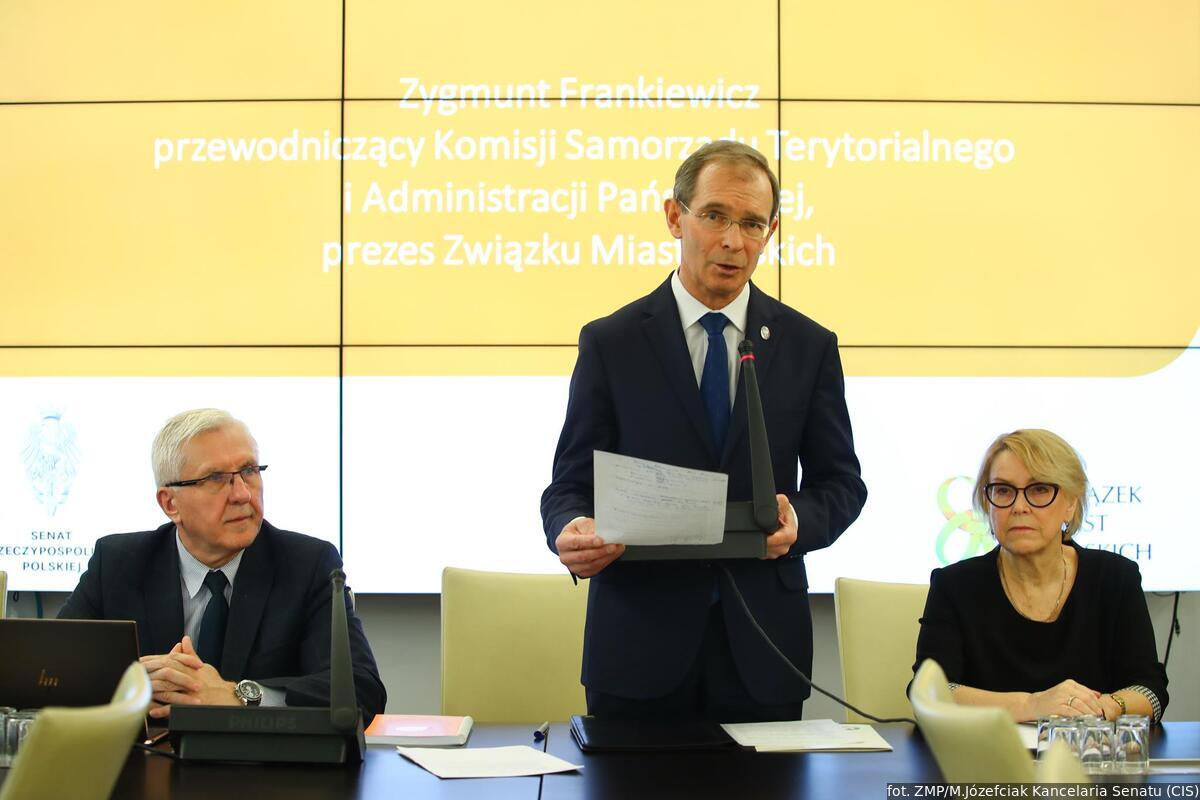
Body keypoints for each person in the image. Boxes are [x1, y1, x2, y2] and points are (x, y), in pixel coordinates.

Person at [541, 141, 867, 722]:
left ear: (771, 232)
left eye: (752, 224)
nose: (733, 241)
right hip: (639, 648)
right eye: (715, 216)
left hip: (764, 650)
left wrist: (800, 521)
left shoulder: (807, 346)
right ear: (675, 216)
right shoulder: (613, 342)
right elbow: (569, 484)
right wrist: (570, 529)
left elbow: (841, 484)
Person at [59, 408, 387, 722]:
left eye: (249, 471)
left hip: (259, 759)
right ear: (170, 503)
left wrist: (238, 695)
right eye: (216, 478)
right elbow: (52, 671)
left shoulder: (308, 565)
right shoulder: (118, 563)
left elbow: (360, 690)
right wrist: (131, 688)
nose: (242, 494)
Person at [912, 429, 1168, 723]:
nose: (1019, 507)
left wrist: (1107, 706)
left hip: (1088, 748)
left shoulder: (1115, 578)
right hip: (987, 751)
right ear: (987, 503)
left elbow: (1150, 689)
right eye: (1003, 490)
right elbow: (930, 692)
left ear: (1071, 503)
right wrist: (1032, 704)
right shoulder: (955, 585)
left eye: (1039, 490)